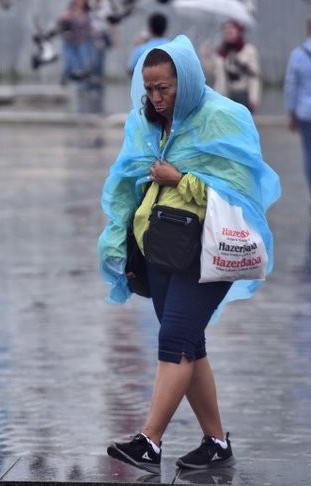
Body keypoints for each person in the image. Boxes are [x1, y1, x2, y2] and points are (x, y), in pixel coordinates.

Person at [98, 35, 280, 474]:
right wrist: (119, 243)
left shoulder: (223, 119)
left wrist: (179, 178)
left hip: (209, 250)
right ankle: (216, 443)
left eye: (165, 88)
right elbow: (126, 181)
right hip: (160, 250)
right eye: (150, 89)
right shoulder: (145, 123)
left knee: (174, 340)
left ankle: (150, 441)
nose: (157, 99)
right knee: (189, 344)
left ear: (188, 80)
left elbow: (240, 191)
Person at [284, 16, 311, 200]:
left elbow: (291, 85)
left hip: (305, 112)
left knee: (309, 154)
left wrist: (291, 112)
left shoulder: (298, 54)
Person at [212, 19, 261, 113]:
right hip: (225, 95)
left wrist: (253, 97)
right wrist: (207, 56)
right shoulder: (221, 52)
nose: (228, 33)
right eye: (226, 31)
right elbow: (213, 71)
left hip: (242, 95)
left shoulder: (248, 51)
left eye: (231, 31)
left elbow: (254, 77)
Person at [127, 12, 168, 77]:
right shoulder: (173, 48)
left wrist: (136, 46)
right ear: (165, 28)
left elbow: (130, 70)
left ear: (150, 28)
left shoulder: (141, 49)